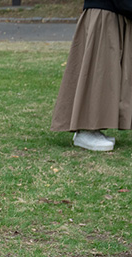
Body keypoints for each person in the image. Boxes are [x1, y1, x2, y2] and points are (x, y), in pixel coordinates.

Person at [51, 1, 132, 151]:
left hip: (109, 12)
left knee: (106, 73)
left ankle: (90, 128)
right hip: (103, 13)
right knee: (98, 73)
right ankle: (86, 130)